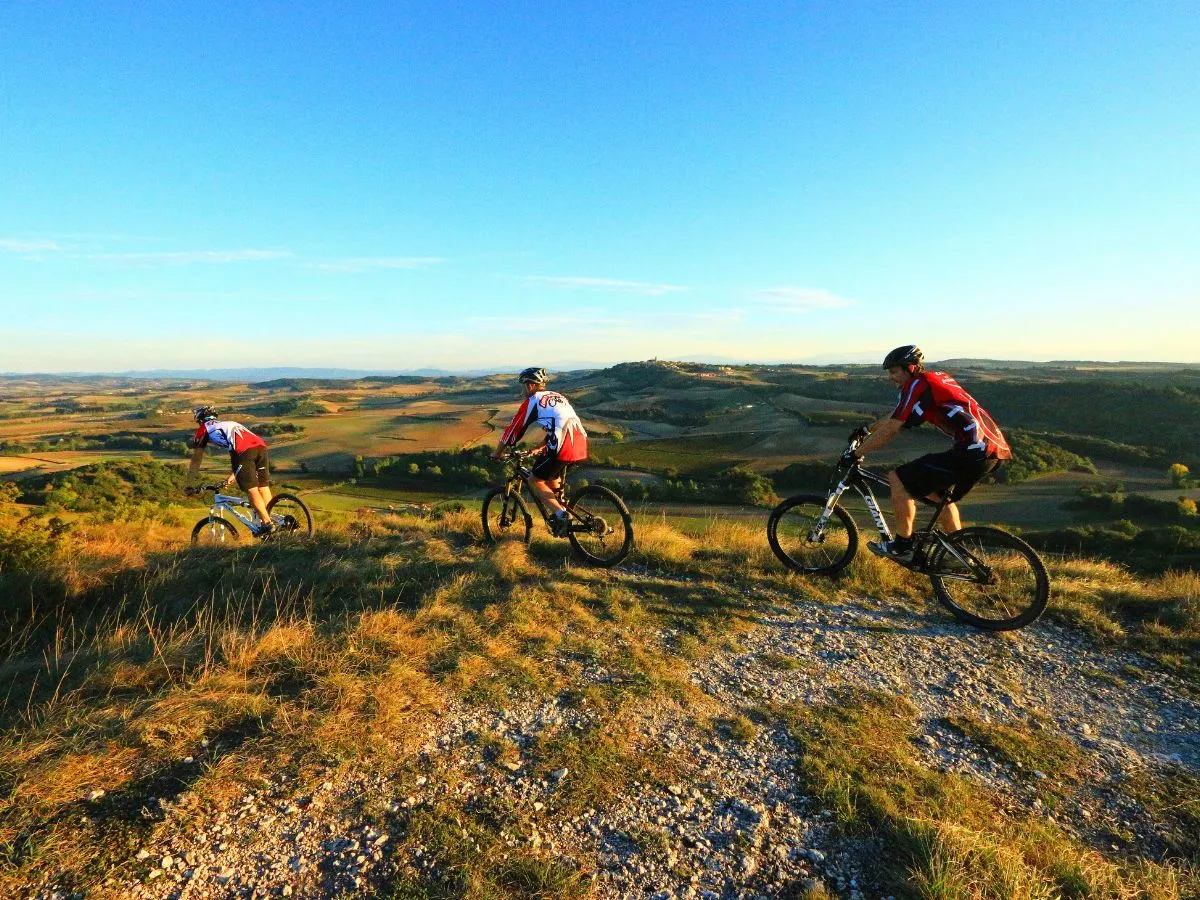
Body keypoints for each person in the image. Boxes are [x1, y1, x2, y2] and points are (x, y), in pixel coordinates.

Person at [852, 346, 1011, 563]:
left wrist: (856, 454)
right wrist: (867, 429)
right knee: (938, 496)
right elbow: (896, 416)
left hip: (972, 452)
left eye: (894, 372)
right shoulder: (935, 379)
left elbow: (893, 428)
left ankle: (902, 547)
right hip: (993, 452)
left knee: (898, 478)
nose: (891, 378)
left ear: (910, 368)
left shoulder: (917, 384)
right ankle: (958, 553)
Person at [492, 367, 589, 535]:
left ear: (530, 386)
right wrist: (539, 447)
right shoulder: (558, 397)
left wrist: (498, 453)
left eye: (523, 386)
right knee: (551, 477)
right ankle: (561, 508)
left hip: (562, 446)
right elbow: (558, 425)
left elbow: (513, 430)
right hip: (580, 443)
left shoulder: (533, 400)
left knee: (534, 480)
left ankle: (561, 515)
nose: (522, 391)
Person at [187, 406, 276, 534]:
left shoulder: (204, 429)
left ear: (200, 420)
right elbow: (238, 453)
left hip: (243, 451)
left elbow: (196, 458)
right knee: (263, 487)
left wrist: (190, 483)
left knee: (252, 490)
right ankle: (274, 519)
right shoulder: (227, 424)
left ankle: (267, 524)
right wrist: (233, 475)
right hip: (261, 447)